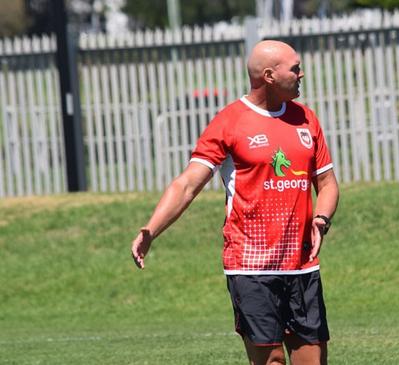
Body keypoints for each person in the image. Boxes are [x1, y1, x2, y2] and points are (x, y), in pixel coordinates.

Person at [131, 40, 339, 365]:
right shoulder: (230, 122)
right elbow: (187, 185)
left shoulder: (306, 120)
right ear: (269, 75)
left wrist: (321, 219)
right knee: (272, 362)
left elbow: (327, 184)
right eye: (295, 68)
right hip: (251, 267)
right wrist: (151, 230)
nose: (302, 74)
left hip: (301, 265)